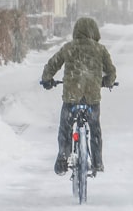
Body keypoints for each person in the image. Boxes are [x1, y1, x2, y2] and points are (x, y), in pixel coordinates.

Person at [40, 17, 117, 175]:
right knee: (95, 129)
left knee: (65, 128)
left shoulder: (69, 48)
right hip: (92, 98)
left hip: (71, 97)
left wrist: (47, 80)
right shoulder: (100, 49)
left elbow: (53, 64)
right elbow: (111, 71)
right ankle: (97, 162)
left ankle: (63, 156)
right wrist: (107, 82)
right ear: (94, 32)